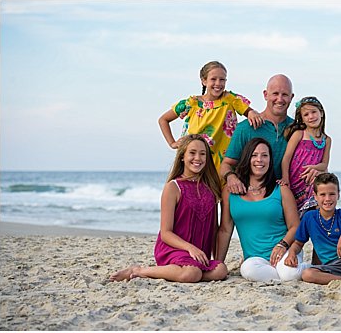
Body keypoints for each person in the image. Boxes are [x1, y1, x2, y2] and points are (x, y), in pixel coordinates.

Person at [110, 135, 228, 282]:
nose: (197, 158)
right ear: (182, 157)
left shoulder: (211, 188)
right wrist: (190, 248)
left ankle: (187, 272)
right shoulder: (173, 187)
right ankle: (139, 270)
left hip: (198, 255)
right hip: (174, 250)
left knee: (221, 270)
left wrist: (213, 257)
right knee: (191, 273)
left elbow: (214, 228)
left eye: (202, 153)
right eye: (192, 153)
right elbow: (166, 233)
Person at [216, 138, 305, 282]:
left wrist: (282, 245)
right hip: (255, 259)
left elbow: (295, 226)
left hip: (284, 251)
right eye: (254, 155)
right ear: (247, 158)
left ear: (270, 160)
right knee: (247, 270)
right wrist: (219, 263)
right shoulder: (229, 191)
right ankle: (287, 273)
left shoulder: (281, 189)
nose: (260, 160)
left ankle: (300, 270)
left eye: (265, 155)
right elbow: (225, 230)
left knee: (289, 274)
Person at [157, 61, 263, 173]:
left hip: (222, 162)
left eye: (222, 79)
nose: (218, 83)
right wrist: (172, 143)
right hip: (195, 162)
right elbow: (163, 120)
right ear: (204, 81)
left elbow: (250, 112)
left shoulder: (230, 99)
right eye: (213, 79)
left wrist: (252, 113)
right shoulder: (191, 103)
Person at [284, 173, 341, 284]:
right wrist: (292, 253)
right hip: (332, 268)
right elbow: (298, 243)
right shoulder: (309, 217)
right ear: (315, 196)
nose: (327, 199)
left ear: (338, 195)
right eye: (322, 194)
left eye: (332, 194)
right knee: (307, 274)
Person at [221, 74, 295, 195]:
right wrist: (231, 177)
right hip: (253, 198)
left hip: (287, 199)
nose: (280, 99)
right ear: (266, 95)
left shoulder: (297, 129)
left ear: (291, 97)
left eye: (285, 95)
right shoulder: (245, 128)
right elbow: (226, 164)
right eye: (275, 94)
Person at [279, 96, 331, 212]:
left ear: (321, 113)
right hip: (294, 181)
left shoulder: (326, 140)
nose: (311, 117)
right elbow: (286, 159)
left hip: (311, 181)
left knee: (314, 209)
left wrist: (313, 168)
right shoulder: (299, 134)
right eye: (306, 115)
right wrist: (285, 178)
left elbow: (324, 164)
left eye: (314, 112)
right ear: (302, 119)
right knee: (295, 213)